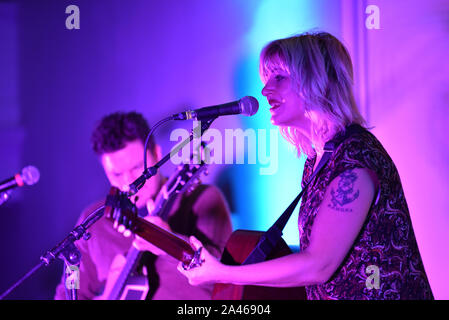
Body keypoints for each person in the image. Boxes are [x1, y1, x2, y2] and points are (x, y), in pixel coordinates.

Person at [178, 32, 434, 300]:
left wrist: (222, 273)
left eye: (279, 77)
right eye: (267, 80)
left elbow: (319, 265)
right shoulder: (317, 161)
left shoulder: (355, 158)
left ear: (316, 81)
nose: (265, 91)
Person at [54, 111, 232, 300]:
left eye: (137, 168)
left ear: (156, 154)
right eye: (117, 175)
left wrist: (168, 242)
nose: (129, 182)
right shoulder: (93, 222)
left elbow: (226, 280)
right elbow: (68, 295)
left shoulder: (203, 200)